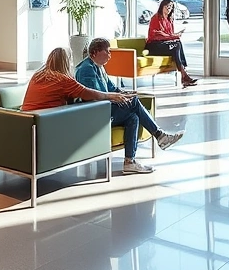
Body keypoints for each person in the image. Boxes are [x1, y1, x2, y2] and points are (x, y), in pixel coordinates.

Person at [74, 38, 185, 174]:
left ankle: (129, 162)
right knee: (133, 103)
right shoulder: (86, 69)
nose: (110, 55)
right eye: (107, 52)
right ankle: (160, 135)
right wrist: (114, 97)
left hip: (105, 110)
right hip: (96, 115)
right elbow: (92, 97)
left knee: (133, 117)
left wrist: (124, 93)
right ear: (95, 52)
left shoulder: (99, 67)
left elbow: (112, 88)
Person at [146, 0, 198, 88]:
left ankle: (184, 74)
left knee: (177, 43)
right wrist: (174, 36)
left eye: (170, 7)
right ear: (161, 7)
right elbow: (158, 35)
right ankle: (184, 75)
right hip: (154, 46)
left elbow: (168, 35)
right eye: (166, 7)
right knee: (177, 43)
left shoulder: (169, 19)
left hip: (164, 44)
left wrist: (175, 36)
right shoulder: (156, 18)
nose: (168, 9)